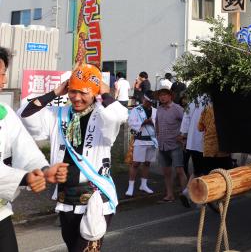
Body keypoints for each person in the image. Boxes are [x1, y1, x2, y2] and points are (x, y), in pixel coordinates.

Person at [20, 64, 128, 252]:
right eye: (72, 91)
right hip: (65, 198)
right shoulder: (59, 114)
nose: (76, 98)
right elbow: (26, 114)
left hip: (95, 199)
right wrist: (55, 92)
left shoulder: (102, 115)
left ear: (94, 93)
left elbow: (119, 115)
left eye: (83, 93)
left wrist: (104, 91)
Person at [0, 47, 69, 252]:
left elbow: (25, 148)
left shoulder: (4, 113)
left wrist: (45, 170)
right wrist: (26, 178)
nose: (3, 81)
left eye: (3, 74)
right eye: (1, 74)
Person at [154, 89, 189, 207]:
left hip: (175, 144)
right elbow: (157, 123)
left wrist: (183, 136)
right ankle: (169, 195)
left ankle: (185, 195)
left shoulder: (177, 108)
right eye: (160, 96)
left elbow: (186, 121)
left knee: (179, 170)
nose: (162, 97)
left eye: (164, 95)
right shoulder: (159, 109)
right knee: (166, 172)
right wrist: (157, 136)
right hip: (162, 144)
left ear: (170, 96)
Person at [126, 90, 157, 197]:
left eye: (151, 102)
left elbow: (158, 124)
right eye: (148, 101)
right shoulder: (136, 110)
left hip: (152, 140)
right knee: (135, 164)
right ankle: (131, 186)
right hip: (140, 140)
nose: (149, 104)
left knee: (147, 163)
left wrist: (153, 123)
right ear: (144, 99)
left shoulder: (155, 111)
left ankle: (144, 185)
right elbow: (130, 122)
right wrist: (143, 122)